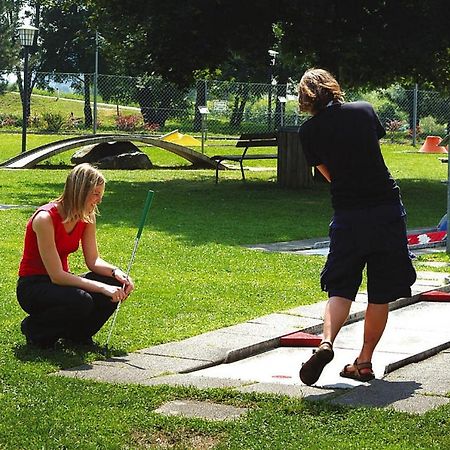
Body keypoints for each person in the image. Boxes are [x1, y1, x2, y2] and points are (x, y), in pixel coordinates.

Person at [297, 69, 416, 385]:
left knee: (340, 286)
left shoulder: (308, 132)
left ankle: (326, 342)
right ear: (334, 88)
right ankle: (364, 362)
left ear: (306, 98)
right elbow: (370, 149)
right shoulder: (363, 110)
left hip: (349, 214)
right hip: (386, 209)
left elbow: (330, 174)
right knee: (380, 292)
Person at [17, 163, 134, 349]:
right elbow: (57, 275)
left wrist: (116, 273)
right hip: (34, 286)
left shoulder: (87, 216)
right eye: (95, 194)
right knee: (82, 299)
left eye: (100, 195)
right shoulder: (45, 218)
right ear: (80, 191)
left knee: (114, 284)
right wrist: (102, 287)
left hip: (60, 283)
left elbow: (93, 261)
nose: (99, 200)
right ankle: (35, 329)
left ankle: (78, 336)